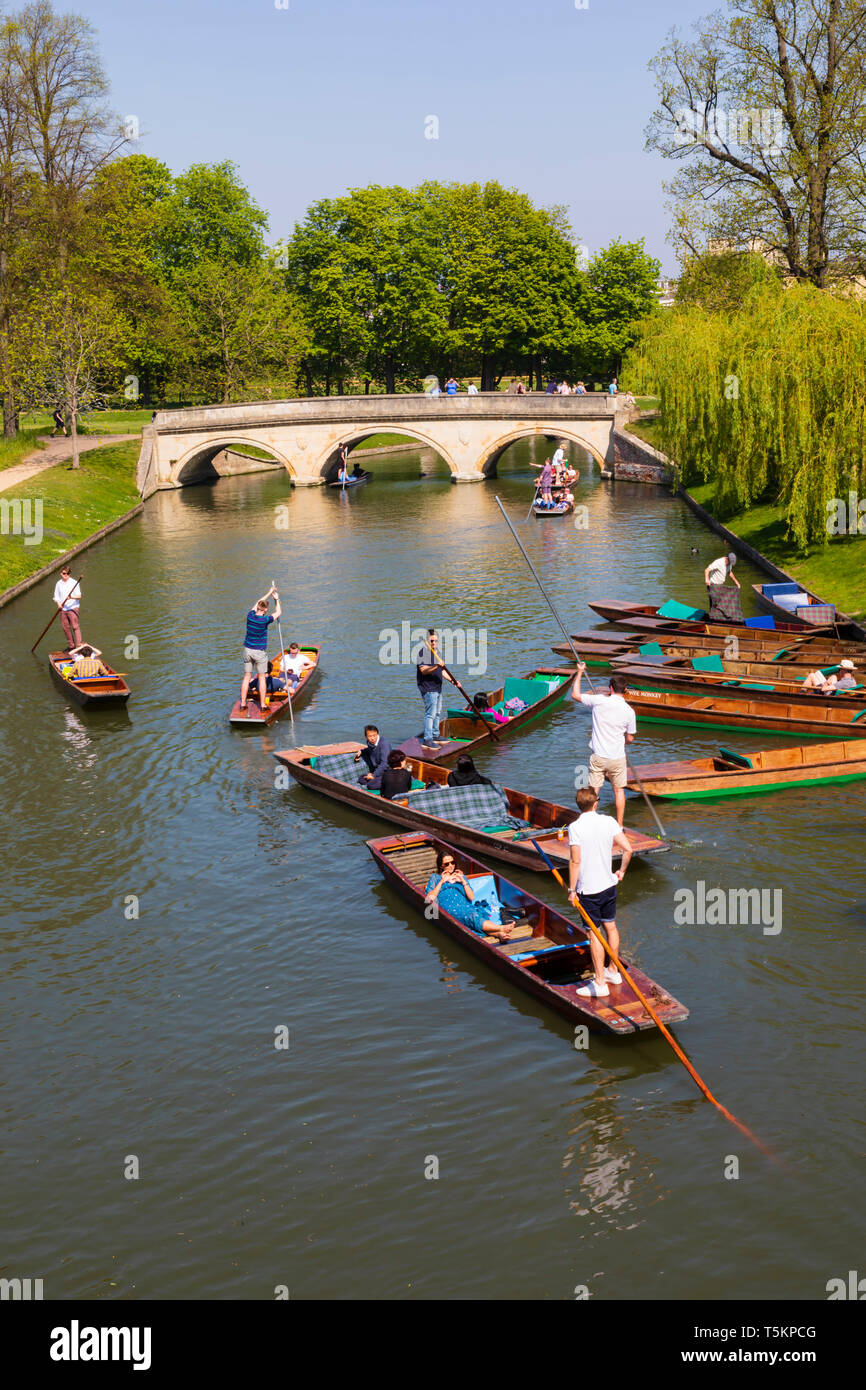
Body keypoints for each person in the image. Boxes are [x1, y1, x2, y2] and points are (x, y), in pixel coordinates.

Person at [567, 786, 633, 998]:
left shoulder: (575, 827)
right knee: (611, 927)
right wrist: (621, 872)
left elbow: (575, 861)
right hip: (609, 885)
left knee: (594, 934)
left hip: (589, 890)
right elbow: (628, 849)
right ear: (596, 804)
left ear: (579, 806)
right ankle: (613, 971)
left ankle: (600, 983)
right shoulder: (609, 821)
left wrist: (571, 890)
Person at [570, 663, 636, 828]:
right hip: (617, 757)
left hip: (599, 756)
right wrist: (624, 741)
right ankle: (619, 825)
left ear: (610, 688)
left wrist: (579, 672)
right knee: (619, 791)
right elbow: (630, 738)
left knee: (593, 792)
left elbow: (575, 695)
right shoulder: (629, 711)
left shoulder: (599, 700)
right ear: (624, 690)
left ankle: (589, 822)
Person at [425, 849, 517, 941]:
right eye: (447, 864)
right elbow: (430, 898)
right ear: (441, 866)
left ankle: (498, 934)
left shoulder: (460, 876)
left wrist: (463, 881)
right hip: (448, 907)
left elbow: (471, 897)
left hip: (464, 905)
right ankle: (500, 928)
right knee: (470, 917)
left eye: (452, 862)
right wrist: (442, 881)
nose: (451, 866)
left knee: (474, 915)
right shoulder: (435, 878)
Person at [239, 585, 281, 714]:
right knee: (262, 677)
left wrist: (269, 592)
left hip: (247, 650)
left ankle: (242, 703)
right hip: (259, 652)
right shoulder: (265, 620)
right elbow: (278, 613)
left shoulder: (250, 615)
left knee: (247, 676)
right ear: (265, 610)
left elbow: (257, 603)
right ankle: (263, 705)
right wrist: (277, 599)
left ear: (257, 608)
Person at [416, 628, 455, 750]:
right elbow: (424, 670)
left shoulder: (437, 652)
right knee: (430, 715)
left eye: (436, 641)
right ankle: (427, 739)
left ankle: (435, 735)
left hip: (438, 688)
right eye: (431, 641)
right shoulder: (423, 653)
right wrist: (436, 665)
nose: (434, 643)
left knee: (437, 713)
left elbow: (442, 670)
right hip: (428, 689)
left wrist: (453, 680)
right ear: (427, 641)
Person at [53, 567, 82, 651]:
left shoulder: (74, 583)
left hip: (73, 607)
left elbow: (79, 596)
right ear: (61, 573)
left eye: (68, 573)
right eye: (64, 573)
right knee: (65, 627)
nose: (66, 575)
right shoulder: (58, 584)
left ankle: (79, 646)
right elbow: (56, 596)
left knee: (75, 626)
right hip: (63, 608)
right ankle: (71, 646)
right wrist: (58, 604)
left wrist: (71, 597)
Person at [353, 724, 392, 788]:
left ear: (377, 734)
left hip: (388, 772)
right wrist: (361, 752)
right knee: (361, 779)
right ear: (366, 737)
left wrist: (374, 775)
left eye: (374, 735)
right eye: (370, 736)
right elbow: (370, 750)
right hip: (378, 772)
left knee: (371, 785)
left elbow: (385, 764)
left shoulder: (384, 744)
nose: (373, 738)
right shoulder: (370, 743)